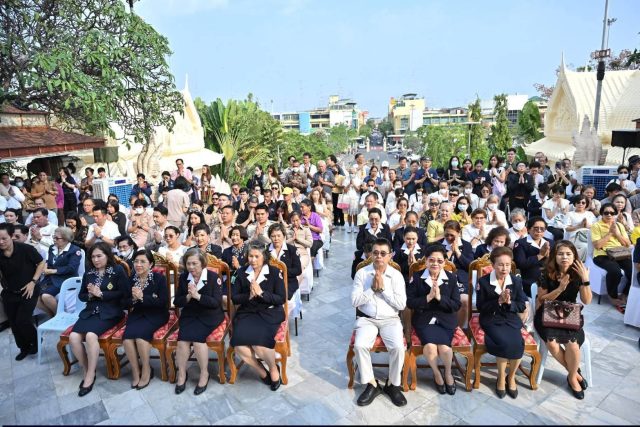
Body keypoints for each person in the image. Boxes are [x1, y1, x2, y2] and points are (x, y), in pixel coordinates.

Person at [351, 238, 407, 407]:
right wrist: (372, 289)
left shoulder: (396, 275)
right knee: (360, 346)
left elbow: (401, 304)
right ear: (371, 254)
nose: (379, 257)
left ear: (390, 255)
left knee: (398, 347)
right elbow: (354, 301)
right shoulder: (362, 273)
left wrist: (383, 290)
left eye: (383, 253)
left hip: (391, 320)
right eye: (375, 253)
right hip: (367, 319)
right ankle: (371, 384)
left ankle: (392, 384)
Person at [534, 241, 591, 399]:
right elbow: (542, 300)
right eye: (560, 254)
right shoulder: (545, 273)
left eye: (568, 254)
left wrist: (585, 279)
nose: (564, 257)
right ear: (554, 256)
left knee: (573, 344)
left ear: (574, 256)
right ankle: (575, 374)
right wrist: (560, 289)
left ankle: (572, 377)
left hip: (569, 314)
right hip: (546, 313)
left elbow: (587, 300)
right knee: (552, 343)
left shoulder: (578, 274)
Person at [70, 242, 129, 396]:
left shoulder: (117, 270)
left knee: (91, 336)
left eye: (99, 256)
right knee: (74, 337)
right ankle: (87, 368)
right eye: (93, 257)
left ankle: (90, 375)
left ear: (107, 256)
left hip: (111, 312)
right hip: (91, 312)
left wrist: (102, 294)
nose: (95, 260)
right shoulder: (89, 273)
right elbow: (82, 296)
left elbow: (125, 293)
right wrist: (90, 295)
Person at [230, 243, 286, 391]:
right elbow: (234, 298)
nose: (253, 260)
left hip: (269, 313)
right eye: (250, 256)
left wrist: (261, 293)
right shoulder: (240, 273)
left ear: (264, 257)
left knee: (258, 344)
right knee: (239, 345)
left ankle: (273, 369)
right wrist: (249, 295)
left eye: (257, 256)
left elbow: (281, 298)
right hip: (247, 313)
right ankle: (261, 371)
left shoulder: (274, 272)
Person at [407, 244, 461, 395]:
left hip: (445, 320)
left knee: (444, 348)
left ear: (445, 262)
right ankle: (437, 373)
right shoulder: (417, 277)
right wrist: (428, 297)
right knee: (430, 347)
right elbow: (410, 302)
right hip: (424, 320)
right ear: (425, 260)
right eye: (431, 260)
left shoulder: (451, 278)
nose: (435, 263)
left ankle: (448, 373)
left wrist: (439, 298)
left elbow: (456, 305)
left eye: (439, 261)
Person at [477, 246, 527, 399]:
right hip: (491, 318)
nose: (504, 268)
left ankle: (510, 377)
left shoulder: (516, 281)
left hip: (510, 318)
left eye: (507, 264)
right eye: (500, 264)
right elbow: (480, 307)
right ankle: (500, 377)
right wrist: (498, 301)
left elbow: (522, 305)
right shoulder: (484, 282)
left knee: (518, 344)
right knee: (504, 343)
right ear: (493, 265)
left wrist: (510, 303)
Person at [173, 248, 224, 395]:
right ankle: (182, 374)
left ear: (202, 264)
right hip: (190, 315)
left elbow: (216, 302)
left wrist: (198, 296)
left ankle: (204, 373)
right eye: (188, 264)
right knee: (182, 341)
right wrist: (188, 297)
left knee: (197, 340)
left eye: (194, 263)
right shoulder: (184, 277)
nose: (191, 267)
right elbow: (177, 302)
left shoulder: (213, 277)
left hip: (210, 315)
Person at [122, 250, 170, 389]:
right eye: (136, 261)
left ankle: (146, 369)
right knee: (127, 339)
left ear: (151, 264)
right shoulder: (131, 279)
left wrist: (142, 297)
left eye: (143, 261)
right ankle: (136, 371)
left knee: (140, 338)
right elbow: (123, 303)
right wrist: (133, 299)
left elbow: (163, 303)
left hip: (157, 314)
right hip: (138, 314)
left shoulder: (159, 279)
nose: (138, 264)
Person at [0, 223, 46, 360]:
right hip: (9, 292)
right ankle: (24, 347)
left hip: (28, 290)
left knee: (22, 320)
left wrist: (33, 282)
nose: (1, 242)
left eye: (4, 238)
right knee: (14, 323)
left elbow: (41, 263)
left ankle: (36, 340)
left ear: (11, 236)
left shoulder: (26, 249)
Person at [591, 203, 633, 313]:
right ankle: (612, 296)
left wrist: (617, 234)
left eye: (612, 213)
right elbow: (597, 245)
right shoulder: (596, 226)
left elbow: (627, 244)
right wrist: (610, 233)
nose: (609, 215)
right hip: (602, 254)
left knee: (633, 271)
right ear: (601, 213)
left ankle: (625, 293)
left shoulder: (619, 225)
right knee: (615, 271)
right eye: (606, 213)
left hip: (619, 253)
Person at [37, 227, 82, 316]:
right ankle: (52, 316)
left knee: (46, 296)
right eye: (54, 237)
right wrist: (45, 267)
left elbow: (71, 268)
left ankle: (59, 316)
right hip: (50, 278)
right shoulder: (52, 248)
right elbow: (49, 262)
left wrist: (53, 271)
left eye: (57, 238)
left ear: (66, 239)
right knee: (34, 297)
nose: (54, 240)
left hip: (65, 279)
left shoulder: (75, 250)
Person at [441, 220, 473, 327]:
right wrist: (450, 252)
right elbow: (437, 263)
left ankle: (458, 329)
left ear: (458, 233)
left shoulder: (466, 245)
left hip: (461, 279)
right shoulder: (438, 245)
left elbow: (470, 266)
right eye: (447, 235)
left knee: (464, 300)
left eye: (452, 235)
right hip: (442, 277)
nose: (449, 238)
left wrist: (458, 253)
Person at [514, 217, 551, 299]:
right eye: (536, 228)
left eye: (542, 229)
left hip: (549, 279)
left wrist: (549, 257)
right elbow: (520, 264)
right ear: (528, 229)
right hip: (530, 279)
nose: (539, 231)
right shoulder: (521, 243)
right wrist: (540, 256)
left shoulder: (550, 242)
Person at [268, 223, 302, 299]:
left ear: (284, 236)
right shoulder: (265, 251)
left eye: (278, 235)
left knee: (282, 296)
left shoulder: (292, 250)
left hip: (288, 282)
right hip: (270, 282)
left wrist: (282, 271)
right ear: (269, 237)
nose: (276, 239)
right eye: (273, 236)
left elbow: (298, 270)